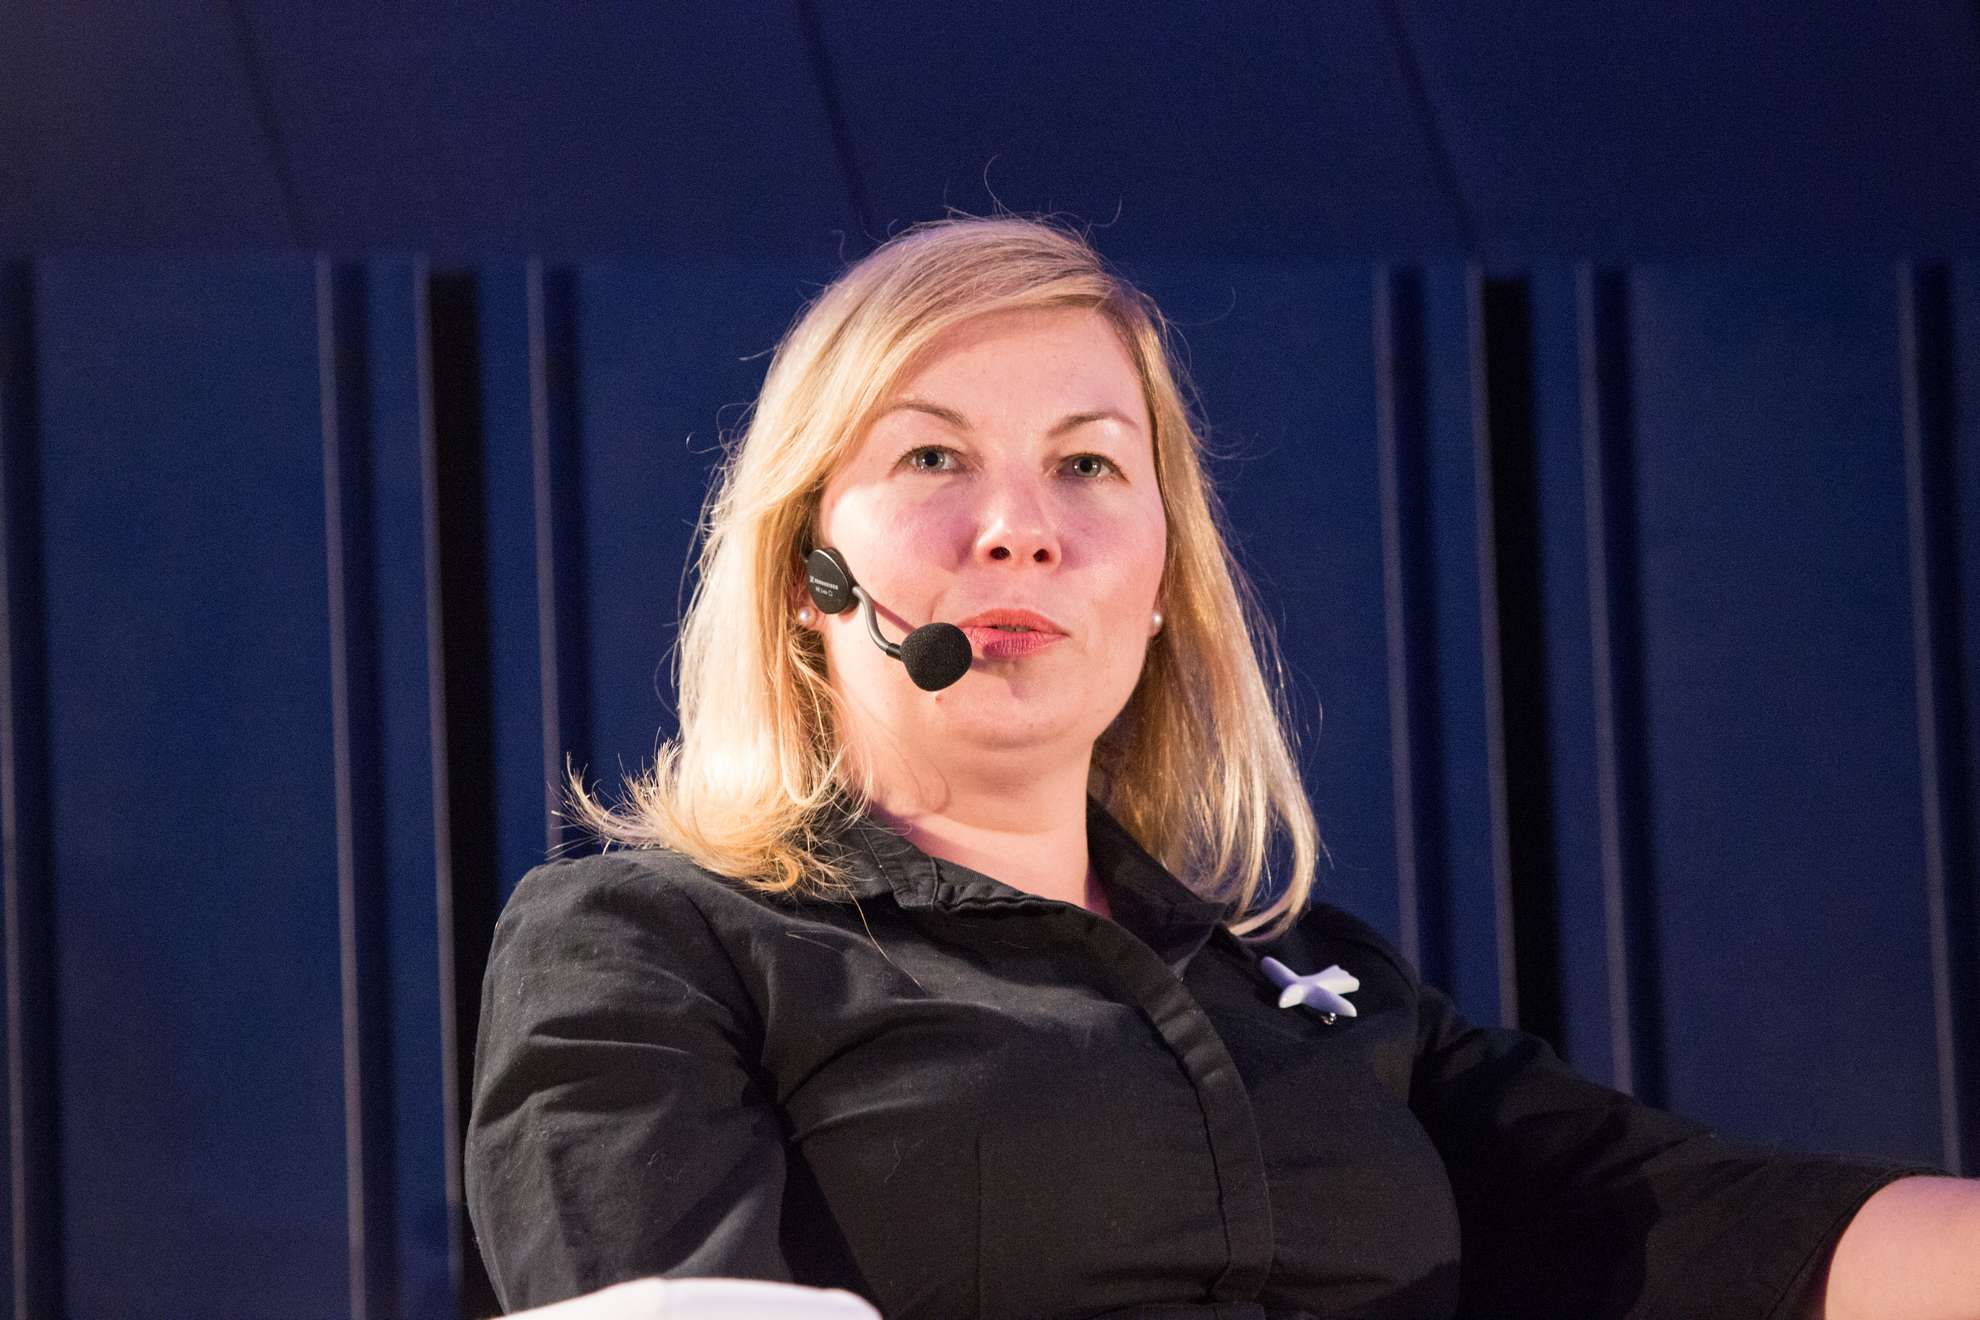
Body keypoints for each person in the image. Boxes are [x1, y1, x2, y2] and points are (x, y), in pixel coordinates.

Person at [465, 214, 1978, 1320]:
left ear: (1161, 581)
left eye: (1088, 463)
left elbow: (1710, 1224)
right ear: (808, 573)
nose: (1020, 528)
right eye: (931, 457)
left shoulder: (1323, 988)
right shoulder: (649, 944)